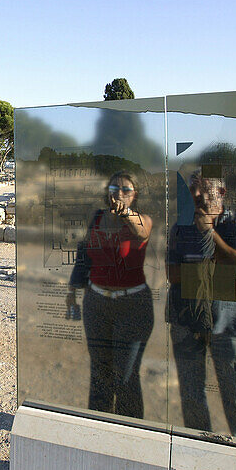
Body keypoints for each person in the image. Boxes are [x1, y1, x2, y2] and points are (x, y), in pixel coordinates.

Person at [166, 168, 236, 440]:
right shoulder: (180, 227)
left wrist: (209, 232)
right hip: (185, 321)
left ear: (221, 193)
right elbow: (171, 275)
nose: (196, 195)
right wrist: (216, 269)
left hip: (227, 324)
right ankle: (200, 450)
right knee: (191, 395)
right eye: (192, 190)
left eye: (203, 189)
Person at [66, 171, 154, 419]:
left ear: (135, 194)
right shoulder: (97, 217)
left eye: (126, 189)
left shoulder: (142, 219)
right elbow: (85, 255)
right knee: (100, 372)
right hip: (97, 303)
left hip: (132, 305)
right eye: (114, 188)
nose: (119, 193)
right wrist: (72, 292)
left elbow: (142, 233)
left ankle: (130, 433)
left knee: (125, 375)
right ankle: (99, 427)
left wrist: (125, 213)